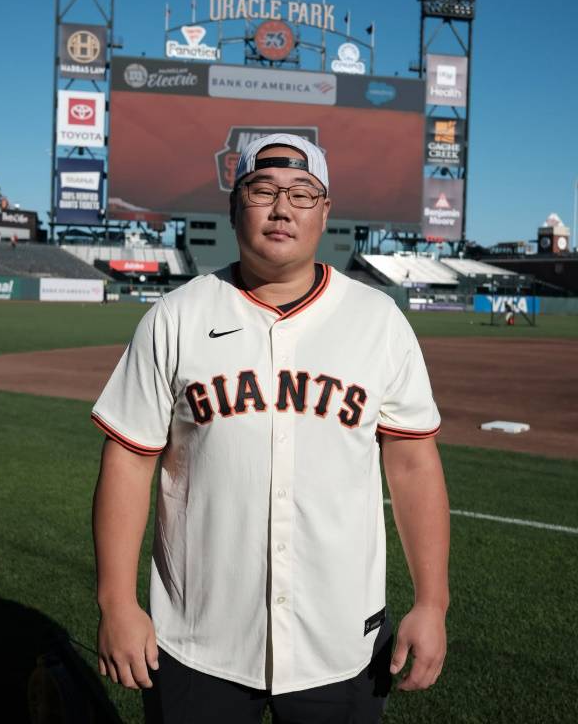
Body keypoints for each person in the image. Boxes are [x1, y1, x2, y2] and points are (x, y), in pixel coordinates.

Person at [91, 134, 450, 724]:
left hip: (342, 643)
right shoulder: (175, 318)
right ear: (236, 207)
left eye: (303, 194)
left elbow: (413, 466)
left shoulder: (378, 321)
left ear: (325, 210)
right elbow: (128, 461)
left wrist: (433, 603)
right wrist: (116, 603)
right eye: (263, 191)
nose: (283, 208)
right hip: (197, 638)